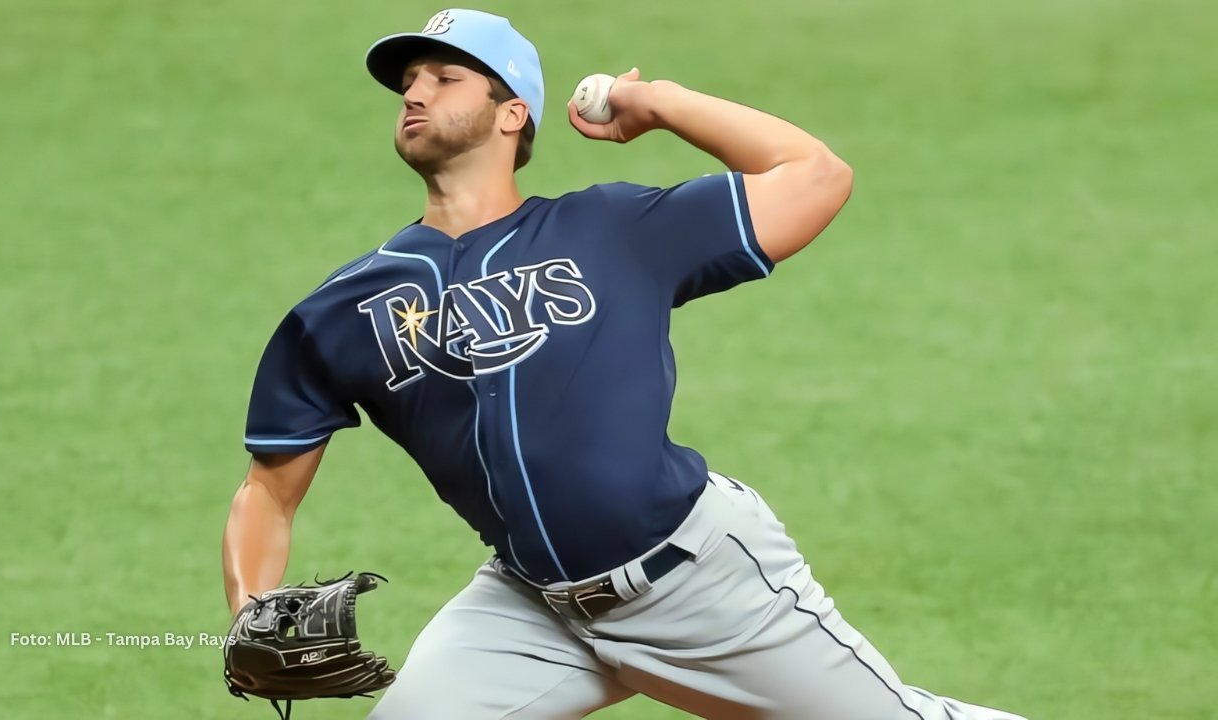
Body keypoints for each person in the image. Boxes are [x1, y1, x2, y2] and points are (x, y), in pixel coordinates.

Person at [222, 8, 1027, 719]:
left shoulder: (611, 228)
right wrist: (250, 615)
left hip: (696, 581)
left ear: (513, 113)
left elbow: (816, 176)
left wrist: (658, 102)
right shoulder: (344, 307)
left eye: (444, 76)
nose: (415, 93)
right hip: (529, 608)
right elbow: (269, 490)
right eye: (408, 81)